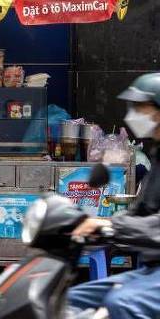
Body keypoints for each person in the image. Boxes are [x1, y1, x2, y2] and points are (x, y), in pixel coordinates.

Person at [67, 73, 160, 319]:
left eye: (142, 107)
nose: (134, 114)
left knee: (122, 303)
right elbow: (139, 213)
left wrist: (110, 224)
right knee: (70, 298)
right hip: (151, 270)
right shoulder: (157, 156)